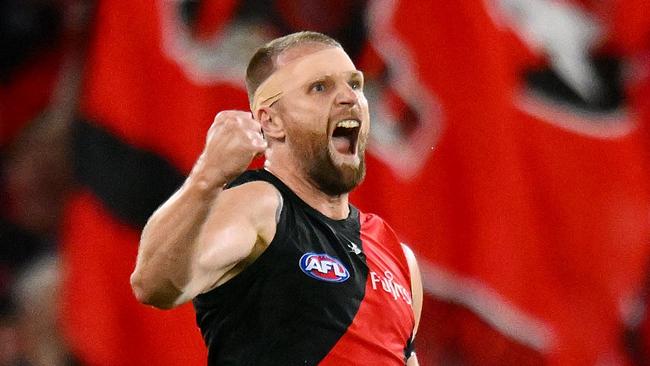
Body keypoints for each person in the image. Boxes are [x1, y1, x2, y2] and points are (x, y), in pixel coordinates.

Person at [130, 31, 423, 365]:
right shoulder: (261, 205)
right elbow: (153, 284)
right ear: (271, 122)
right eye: (320, 87)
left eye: (355, 84)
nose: (349, 98)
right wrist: (207, 176)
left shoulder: (397, 256)